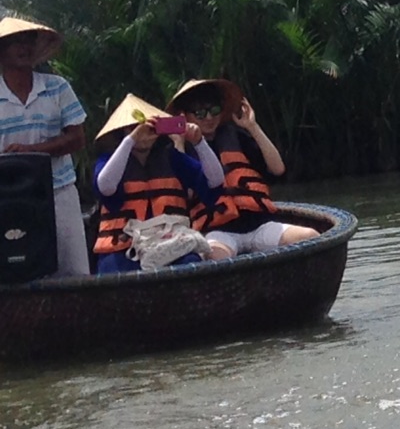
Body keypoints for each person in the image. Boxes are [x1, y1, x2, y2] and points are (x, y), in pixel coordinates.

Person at [166, 79, 318, 258]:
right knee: (216, 257)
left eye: (214, 110)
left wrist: (252, 126)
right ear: (184, 116)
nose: (209, 118)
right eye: (200, 113)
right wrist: (179, 141)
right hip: (219, 232)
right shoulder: (179, 150)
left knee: (310, 237)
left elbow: (277, 168)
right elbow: (185, 196)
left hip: (259, 225)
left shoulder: (237, 137)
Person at [92, 94, 223, 273]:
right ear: (123, 130)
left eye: (150, 128)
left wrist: (199, 143)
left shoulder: (172, 159)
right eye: (133, 127)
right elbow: (105, 187)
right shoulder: (108, 160)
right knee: (115, 275)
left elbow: (215, 182)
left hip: (171, 243)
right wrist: (131, 140)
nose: (144, 134)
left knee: (192, 264)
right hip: (124, 248)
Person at [0, 15, 89, 278]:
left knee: (75, 272)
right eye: (14, 42)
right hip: (6, 198)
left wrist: (31, 153)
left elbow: (77, 138)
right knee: (14, 273)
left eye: (28, 40)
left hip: (58, 190)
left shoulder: (57, 87)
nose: (23, 47)